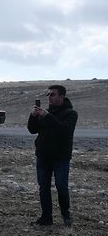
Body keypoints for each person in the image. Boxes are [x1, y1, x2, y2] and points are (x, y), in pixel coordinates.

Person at [27, 84, 77, 227]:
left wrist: (47, 116)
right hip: (43, 156)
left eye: (52, 94)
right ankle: (46, 217)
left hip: (61, 157)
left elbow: (64, 131)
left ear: (62, 96)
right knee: (44, 187)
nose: (49, 97)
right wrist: (33, 116)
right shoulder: (46, 112)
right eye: (48, 94)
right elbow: (32, 130)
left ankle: (65, 214)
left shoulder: (71, 114)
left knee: (61, 186)